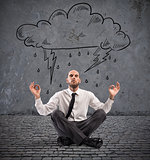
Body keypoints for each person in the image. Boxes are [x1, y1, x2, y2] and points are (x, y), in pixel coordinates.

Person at [29, 70, 120, 148]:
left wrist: (111, 96)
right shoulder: (59, 95)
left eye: (76, 76)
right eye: (71, 76)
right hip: (65, 126)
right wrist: (37, 97)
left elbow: (104, 109)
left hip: (83, 126)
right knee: (55, 113)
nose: (73, 77)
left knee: (101, 113)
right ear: (67, 80)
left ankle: (69, 140)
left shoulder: (88, 94)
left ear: (79, 80)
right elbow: (43, 111)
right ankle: (86, 140)